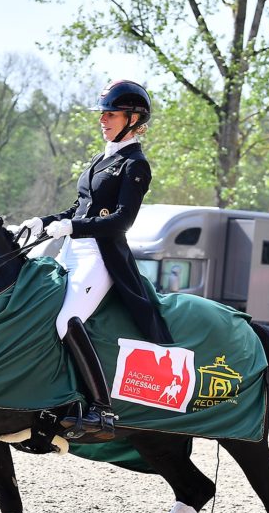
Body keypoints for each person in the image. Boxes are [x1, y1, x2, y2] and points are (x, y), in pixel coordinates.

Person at [17, 79, 172, 440]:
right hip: (74, 248)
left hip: (100, 255)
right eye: (102, 114)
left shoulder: (135, 164)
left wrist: (71, 226)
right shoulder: (104, 157)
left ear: (133, 119)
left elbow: (122, 220)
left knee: (66, 321)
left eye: (111, 114)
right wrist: (46, 221)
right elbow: (80, 207)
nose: (103, 120)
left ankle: (101, 411)